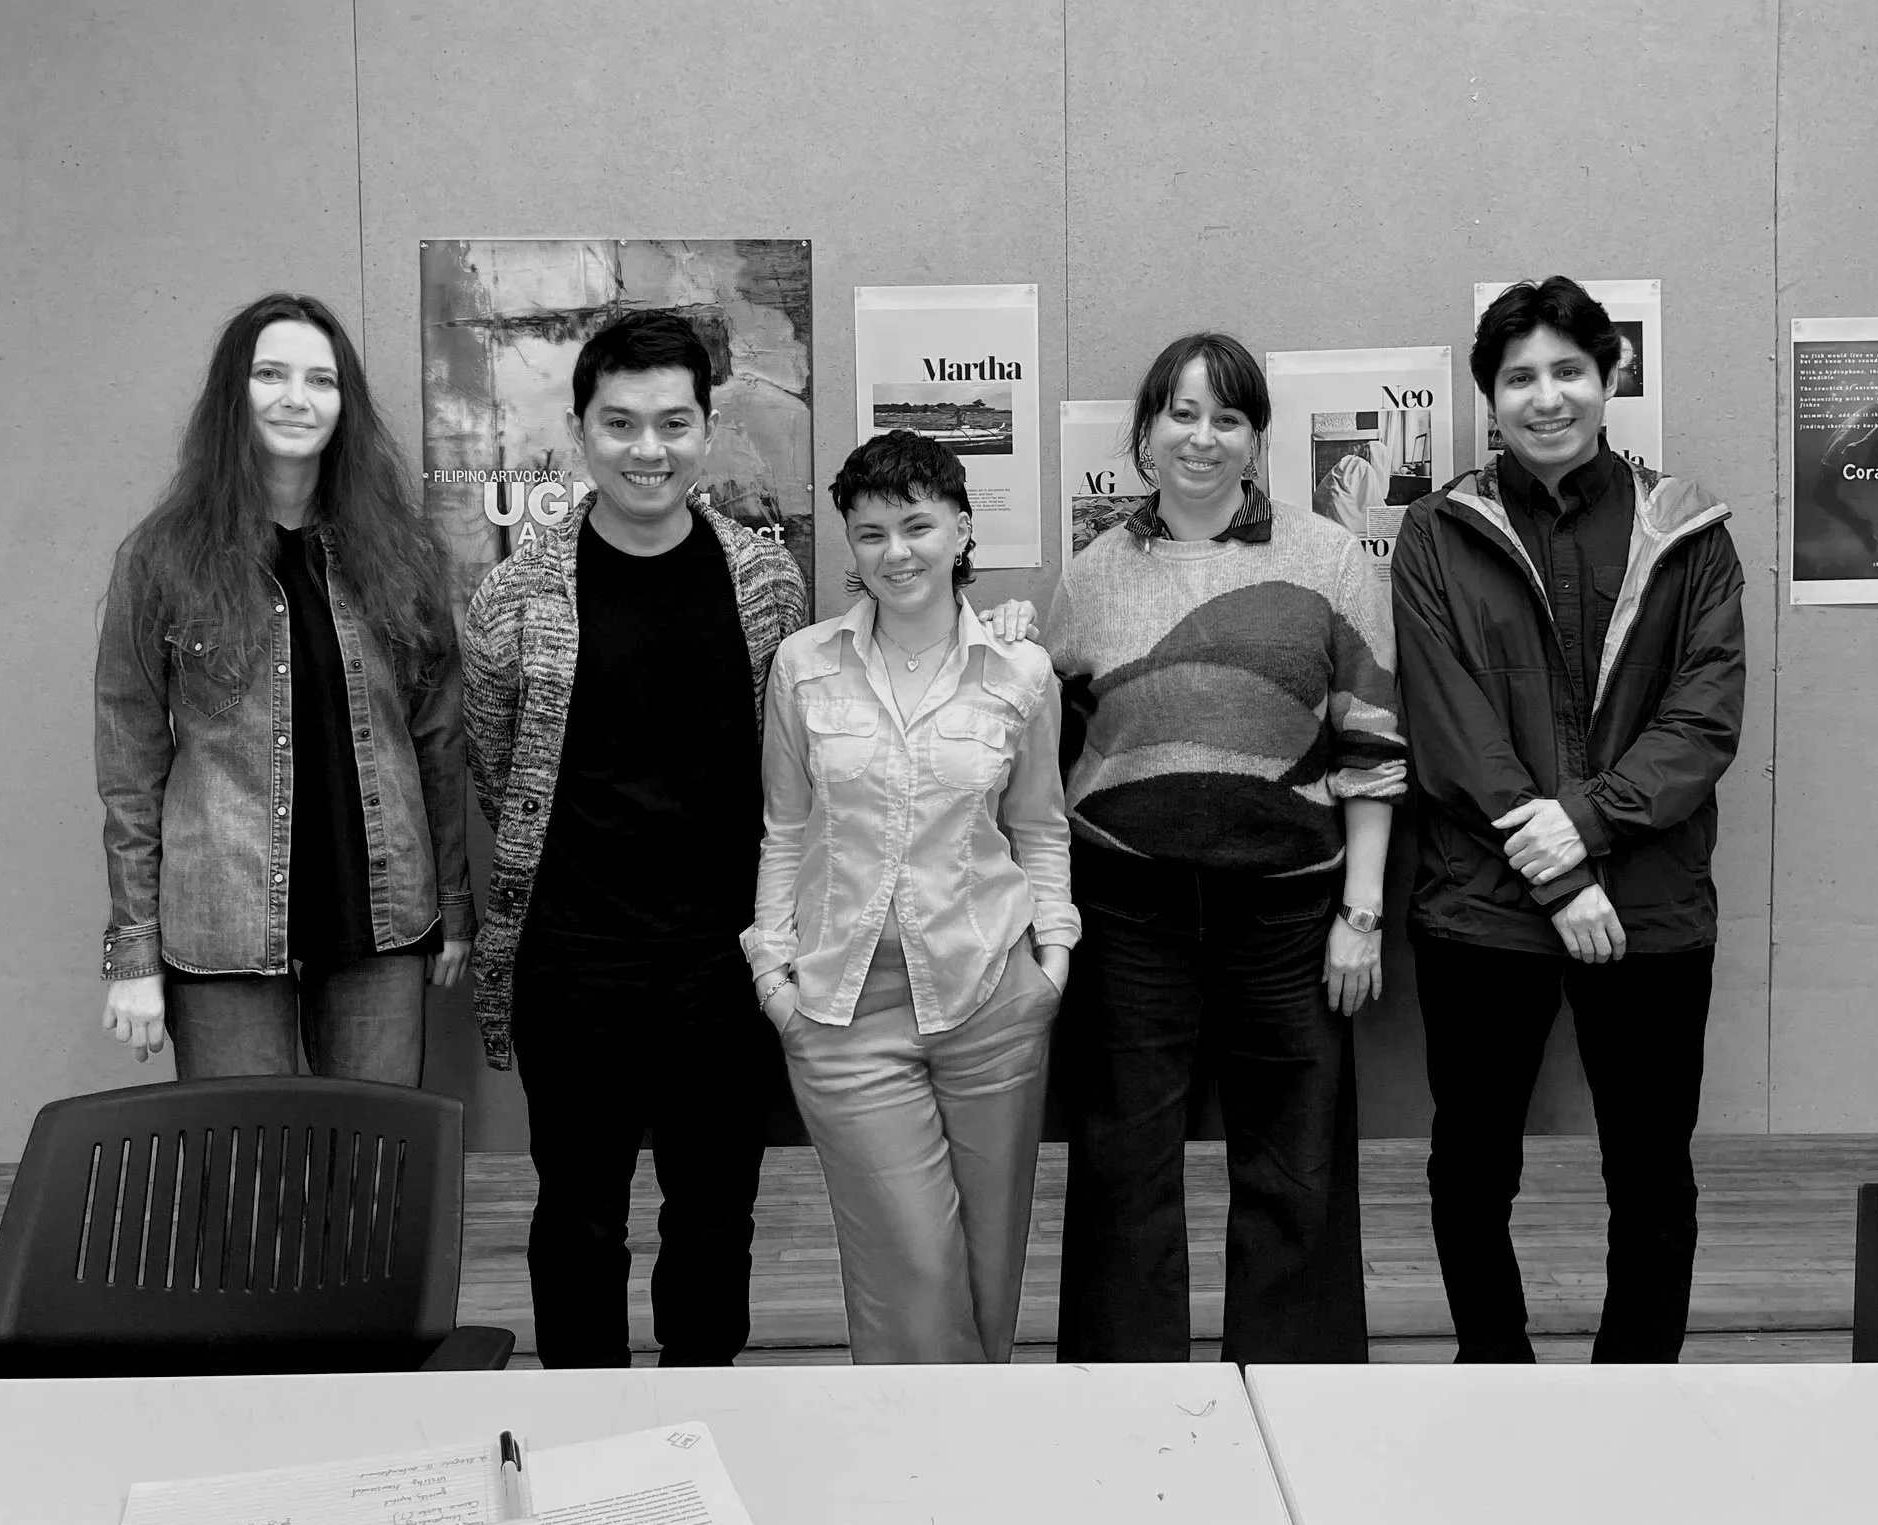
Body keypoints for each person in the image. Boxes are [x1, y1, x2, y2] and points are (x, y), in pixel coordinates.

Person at [1389, 275, 1746, 1364]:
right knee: (1472, 1163)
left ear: (1609, 380)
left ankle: (1633, 1398)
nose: (1546, 397)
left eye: (1567, 372)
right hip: (1485, 905)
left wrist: (1586, 826)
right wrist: (1556, 872)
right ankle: (1494, 1377)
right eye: (1518, 377)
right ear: (1488, 398)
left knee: (1649, 1170)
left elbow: (1702, 715)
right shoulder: (1437, 533)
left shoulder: (1686, 529)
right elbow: (1448, 725)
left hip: (1650, 905)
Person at [1045, 331, 1406, 1365]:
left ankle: (1298, 1394)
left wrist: (1362, 914)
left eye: (1228, 416)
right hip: (1128, 912)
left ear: (1256, 439)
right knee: (1122, 1165)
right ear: (1145, 434)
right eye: (1182, 413)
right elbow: (1061, 748)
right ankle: (1120, 1398)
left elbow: (1372, 750)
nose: (1202, 437)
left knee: (1296, 1165)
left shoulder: (1327, 559)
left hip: (1288, 915)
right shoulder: (1092, 578)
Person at [462, 309, 807, 1369]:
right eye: (619, 424)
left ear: (706, 429)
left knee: (714, 1219)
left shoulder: (765, 583)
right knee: (578, 1219)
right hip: (576, 959)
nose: (645, 450)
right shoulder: (514, 594)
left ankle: (701, 1411)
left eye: (671, 423)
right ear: (578, 432)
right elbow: (495, 763)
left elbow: (789, 761)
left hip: (723, 960)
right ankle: (584, 1432)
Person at [744, 430, 1075, 1364]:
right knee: (914, 1269)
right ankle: (917, 1473)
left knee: (987, 1270)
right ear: (848, 544)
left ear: (963, 527)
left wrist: (1051, 960)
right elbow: (786, 830)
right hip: (844, 1011)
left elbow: (1041, 829)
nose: (897, 552)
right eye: (871, 531)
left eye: (918, 525)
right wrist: (774, 972)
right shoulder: (804, 667)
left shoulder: (1020, 671)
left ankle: (970, 1480)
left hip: (992, 999)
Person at [95, 293, 473, 1080]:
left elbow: (439, 743)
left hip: (380, 918)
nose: (297, 397)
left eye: (321, 379)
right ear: (235, 392)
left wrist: (455, 906)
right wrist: (133, 951)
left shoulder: (400, 554)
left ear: (346, 405)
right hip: (222, 924)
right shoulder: (162, 558)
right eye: (271, 373)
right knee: (244, 1182)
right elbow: (130, 771)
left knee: (373, 1178)